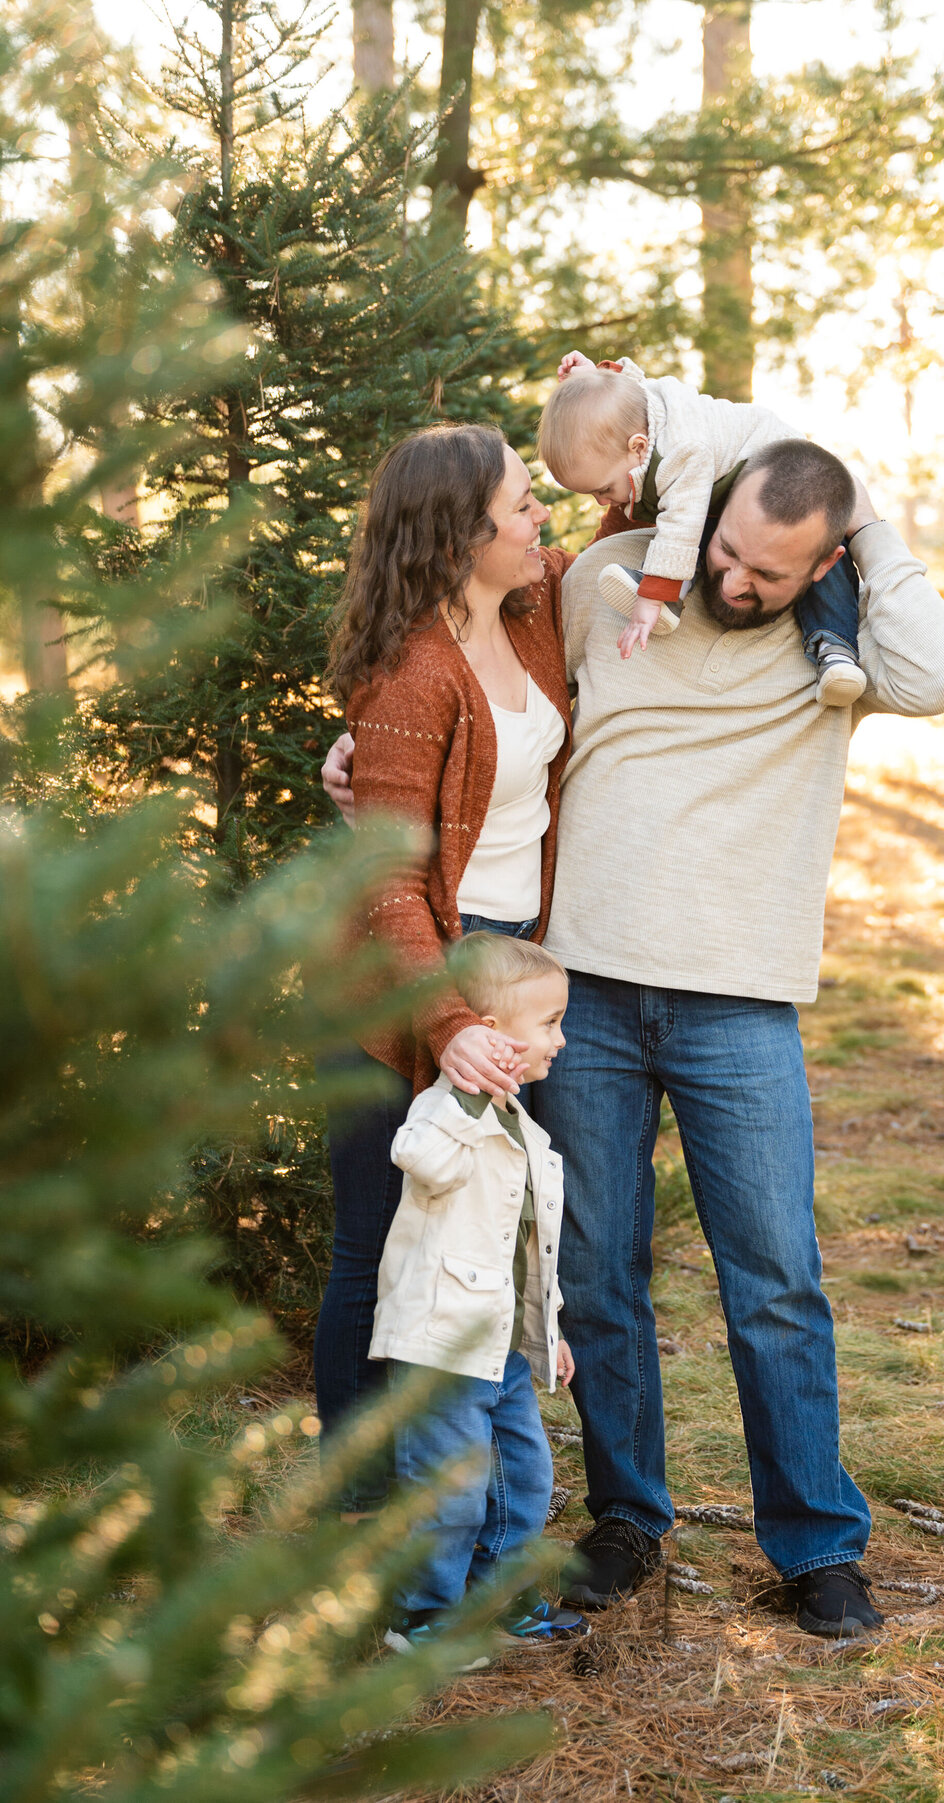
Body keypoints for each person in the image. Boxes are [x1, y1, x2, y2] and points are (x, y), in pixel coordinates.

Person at [323, 438, 944, 1638]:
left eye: (772, 570)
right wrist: (372, 771)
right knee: (596, 1276)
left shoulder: (839, 648)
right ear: (704, 520)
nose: (736, 581)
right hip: (583, 993)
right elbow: (453, 680)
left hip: (741, 999)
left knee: (776, 1278)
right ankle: (627, 1518)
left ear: (823, 565)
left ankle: (818, 1544)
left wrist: (869, 526)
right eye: (726, 549)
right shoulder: (603, 589)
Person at [315, 421, 579, 1517]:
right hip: (401, 989)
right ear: (461, 536)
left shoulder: (531, 604)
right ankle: (358, 1501)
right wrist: (449, 1025)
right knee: (379, 1240)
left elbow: (636, 525)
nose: (541, 517)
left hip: (504, 973)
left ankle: (458, 1482)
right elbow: (388, 885)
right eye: (522, 504)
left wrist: (621, 413)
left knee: (474, 1233)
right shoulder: (411, 673)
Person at [373, 933, 589, 1655]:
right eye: (549, 1022)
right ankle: (422, 1615)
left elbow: (526, 1249)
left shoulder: (523, 1126)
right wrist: (466, 1092)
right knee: (449, 1489)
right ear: (493, 1034)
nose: (561, 1038)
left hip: (501, 1348)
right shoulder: (447, 1107)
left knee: (524, 1478)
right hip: (441, 1343)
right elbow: (419, 1158)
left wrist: (549, 1329)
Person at [538, 349, 866, 703]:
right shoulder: (638, 418)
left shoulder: (680, 455)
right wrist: (590, 379)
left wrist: (651, 597)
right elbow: (625, 390)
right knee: (715, 542)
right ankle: (673, 587)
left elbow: (681, 527)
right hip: (723, 483)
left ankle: (836, 647)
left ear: (638, 447)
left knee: (807, 557)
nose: (602, 502)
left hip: (782, 481)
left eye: (603, 489)